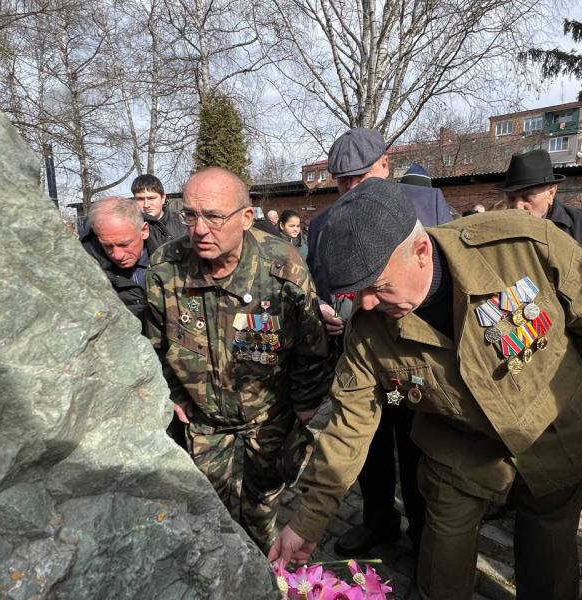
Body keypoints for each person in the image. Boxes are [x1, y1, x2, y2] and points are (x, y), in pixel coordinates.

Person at [269, 177, 582, 600]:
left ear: (421, 251)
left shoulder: (520, 245)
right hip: (458, 452)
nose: (367, 303)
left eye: (379, 286)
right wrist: (307, 521)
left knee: (549, 560)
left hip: (554, 433)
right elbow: (347, 427)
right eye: (357, 292)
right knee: (441, 569)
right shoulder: (368, 331)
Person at [144, 167, 333, 552]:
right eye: (191, 215)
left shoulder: (282, 267)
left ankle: (262, 572)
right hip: (205, 422)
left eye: (214, 216)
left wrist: (305, 409)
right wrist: (175, 392)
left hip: (268, 421)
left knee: (260, 510)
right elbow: (156, 342)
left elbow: (311, 349)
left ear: (246, 218)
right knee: (209, 513)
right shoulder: (166, 266)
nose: (200, 229)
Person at [307, 128, 455, 558]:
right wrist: (323, 306)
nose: (352, 188)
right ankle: (377, 520)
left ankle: (424, 531)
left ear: (385, 166)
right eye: (343, 182)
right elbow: (319, 281)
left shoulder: (427, 208)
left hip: (416, 359)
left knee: (416, 446)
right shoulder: (325, 225)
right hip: (360, 357)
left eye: (361, 176)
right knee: (366, 444)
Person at [498, 149, 582, 461]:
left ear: (551, 192)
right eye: (511, 198)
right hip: (524, 351)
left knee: (571, 444)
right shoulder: (500, 232)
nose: (518, 206)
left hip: (579, 354)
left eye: (527, 197)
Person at [80, 197, 156, 320]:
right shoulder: (87, 271)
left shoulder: (173, 257)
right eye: (108, 246)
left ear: (144, 231)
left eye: (124, 244)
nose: (117, 255)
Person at [131, 174, 188, 248]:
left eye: (151, 198)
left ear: (163, 198)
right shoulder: (131, 229)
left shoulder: (183, 227)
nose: (146, 205)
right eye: (140, 199)